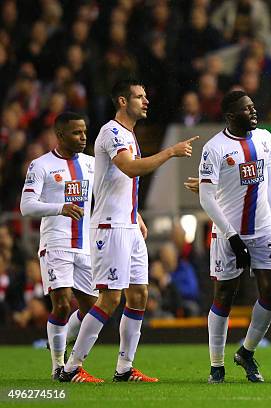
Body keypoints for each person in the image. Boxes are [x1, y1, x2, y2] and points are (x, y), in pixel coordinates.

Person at [59, 79, 198, 383]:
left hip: (129, 224)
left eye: (146, 96)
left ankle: (124, 368)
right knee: (110, 298)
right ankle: (71, 368)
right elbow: (130, 168)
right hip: (110, 226)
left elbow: (121, 184)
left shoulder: (129, 134)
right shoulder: (111, 132)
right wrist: (170, 152)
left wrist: (136, 215)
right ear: (122, 101)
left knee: (139, 295)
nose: (145, 101)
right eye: (139, 96)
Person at [198, 90, 271, 384]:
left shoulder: (264, 138)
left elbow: (270, 186)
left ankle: (247, 352)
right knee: (224, 294)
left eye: (253, 107)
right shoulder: (214, 148)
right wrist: (232, 237)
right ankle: (216, 365)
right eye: (246, 109)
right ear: (230, 116)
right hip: (228, 231)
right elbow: (206, 198)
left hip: (263, 229)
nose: (253, 112)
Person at [20, 111, 97, 380]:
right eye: (76, 132)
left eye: (85, 131)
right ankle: (58, 367)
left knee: (94, 309)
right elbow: (26, 206)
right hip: (56, 244)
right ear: (60, 134)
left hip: (86, 247)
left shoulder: (91, 164)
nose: (83, 137)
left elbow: (112, 194)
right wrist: (60, 208)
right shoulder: (40, 165)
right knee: (62, 304)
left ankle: (61, 341)